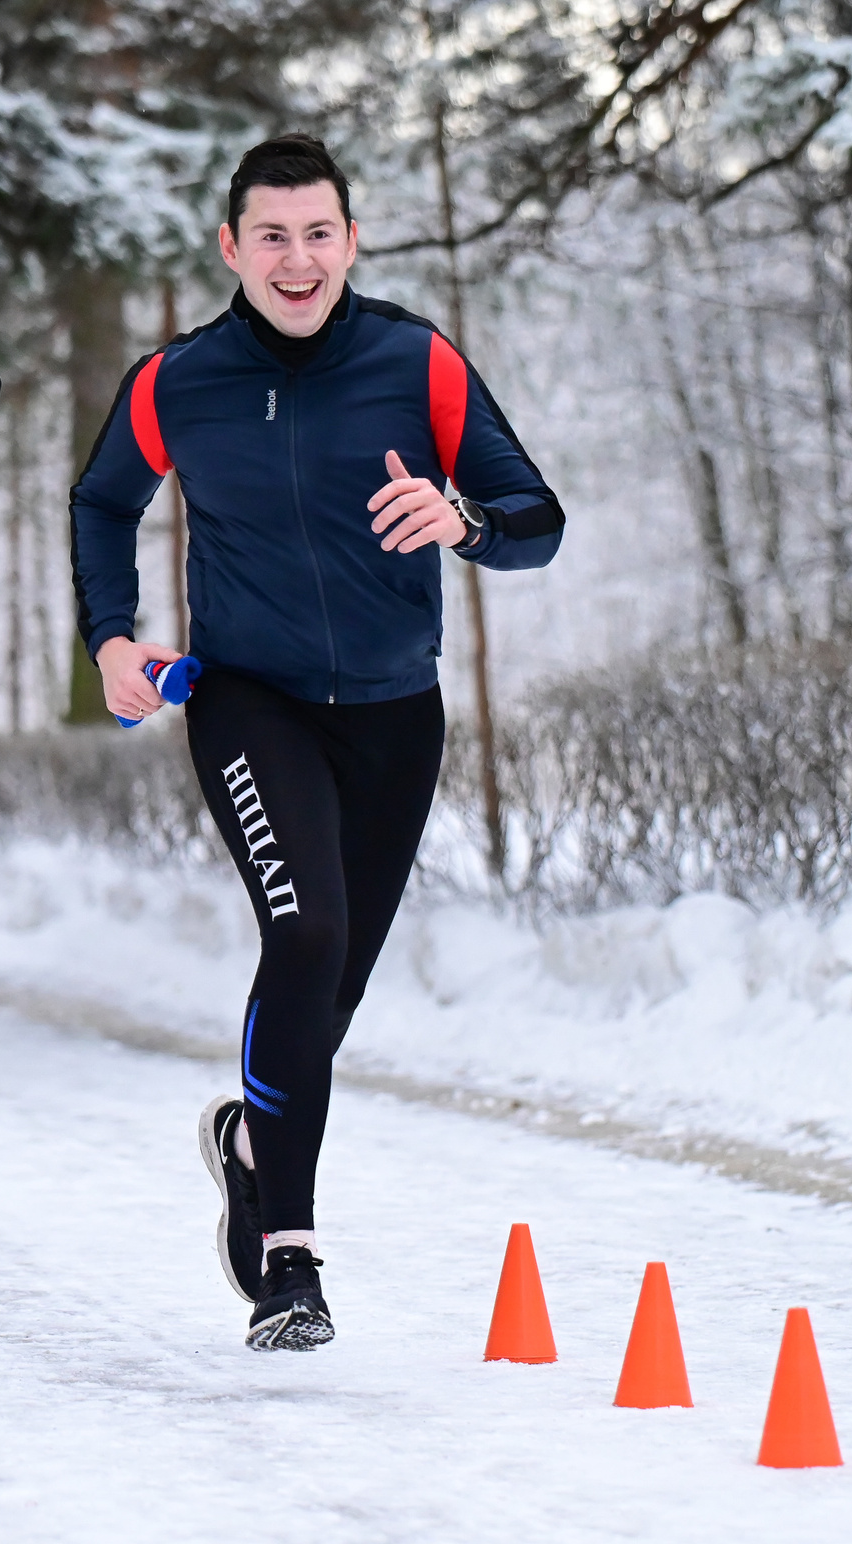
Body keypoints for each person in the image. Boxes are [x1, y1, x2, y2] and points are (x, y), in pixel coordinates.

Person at [70, 134, 565, 1350]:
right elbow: (100, 502)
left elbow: (536, 521)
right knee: (308, 933)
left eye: (319, 233)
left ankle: (249, 1141)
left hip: (397, 713)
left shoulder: (417, 361)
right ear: (231, 247)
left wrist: (461, 519)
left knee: (327, 991)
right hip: (251, 701)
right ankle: (288, 1254)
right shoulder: (175, 382)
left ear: (352, 239)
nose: (298, 261)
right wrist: (111, 640)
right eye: (272, 236)